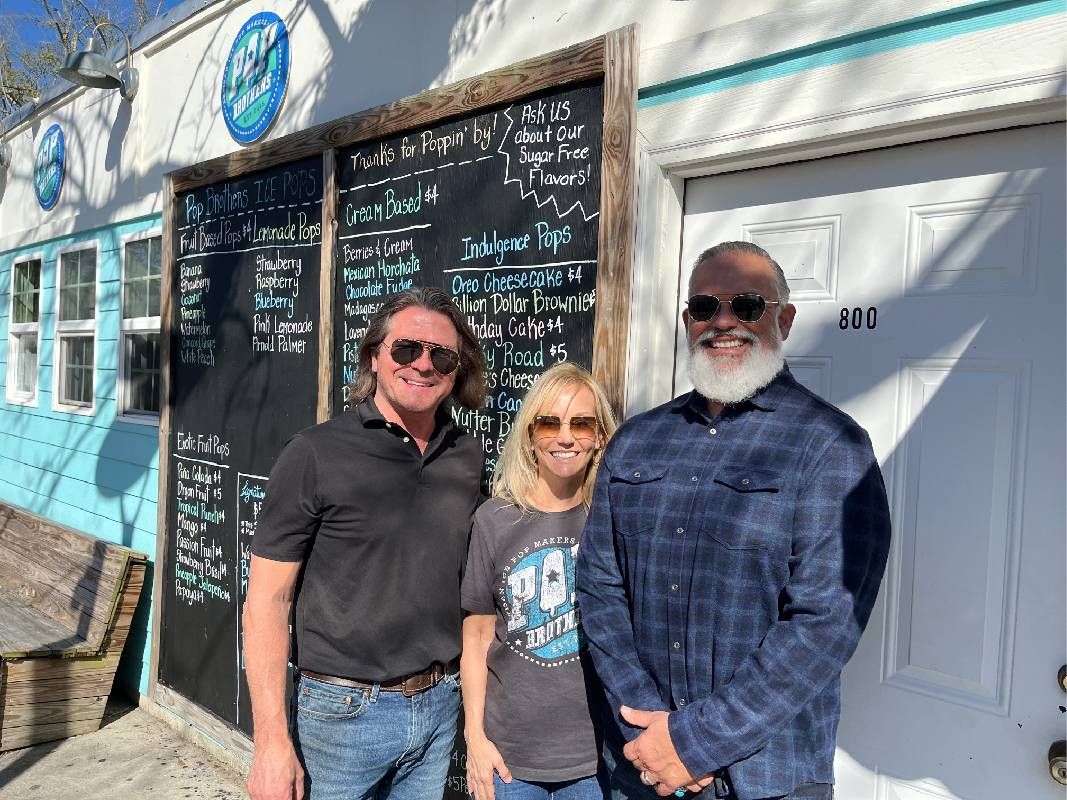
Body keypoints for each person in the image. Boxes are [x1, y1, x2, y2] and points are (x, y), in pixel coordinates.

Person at [575, 241, 892, 800]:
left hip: (764, 777)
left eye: (746, 305)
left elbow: (824, 624)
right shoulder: (638, 439)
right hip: (637, 766)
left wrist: (693, 743)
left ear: (783, 320)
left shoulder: (830, 445)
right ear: (687, 321)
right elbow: (600, 588)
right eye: (704, 307)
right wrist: (647, 729)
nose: (723, 322)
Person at [243, 286, 487, 800]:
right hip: (341, 716)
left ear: (457, 370)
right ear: (375, 356)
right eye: (405, 349)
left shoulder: (467, 457)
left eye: (441, 354)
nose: (423, 364)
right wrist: (270, 744)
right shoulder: (314, 454)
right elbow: (267, 599)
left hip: (440, 705)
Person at [461, 362, 618, 800]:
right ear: (531, 435)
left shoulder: (612, 520)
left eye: (581, 423)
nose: (565, 437)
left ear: (600, 436)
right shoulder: (495, 520)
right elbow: (475, 637)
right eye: (549, 423)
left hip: (595, 759)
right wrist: (475, 738)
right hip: (509, 760)